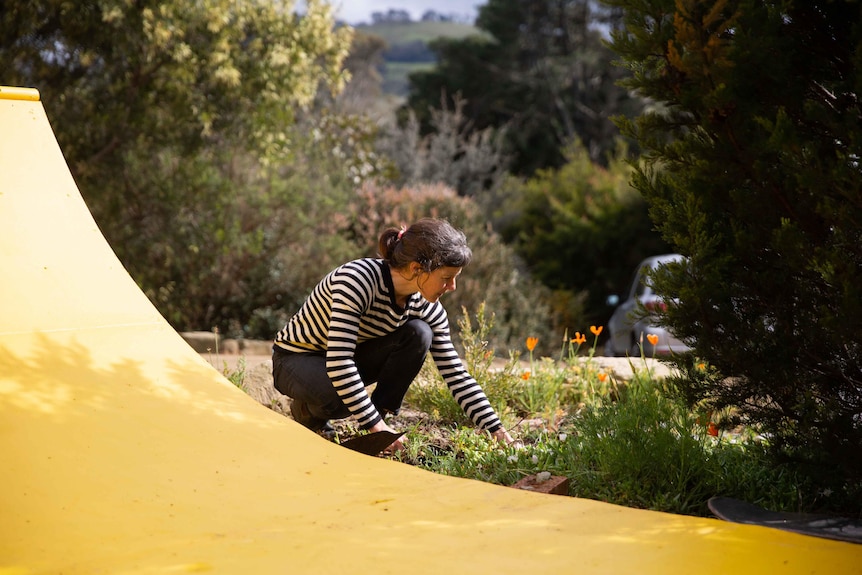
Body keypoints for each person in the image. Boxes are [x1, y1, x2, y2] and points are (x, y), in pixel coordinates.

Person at [272, 218, 515, 452]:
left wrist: (495, 428)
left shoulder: (428, 308)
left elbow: (456, 375)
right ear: (416, 269)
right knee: (341, 396)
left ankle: (376, 426)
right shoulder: (357, 281)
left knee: (419, 333)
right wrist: (375, 425)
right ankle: (308, 412)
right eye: (446, 278)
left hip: (342, 361)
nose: (452, 287)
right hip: (295, 359)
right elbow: (340, 361)